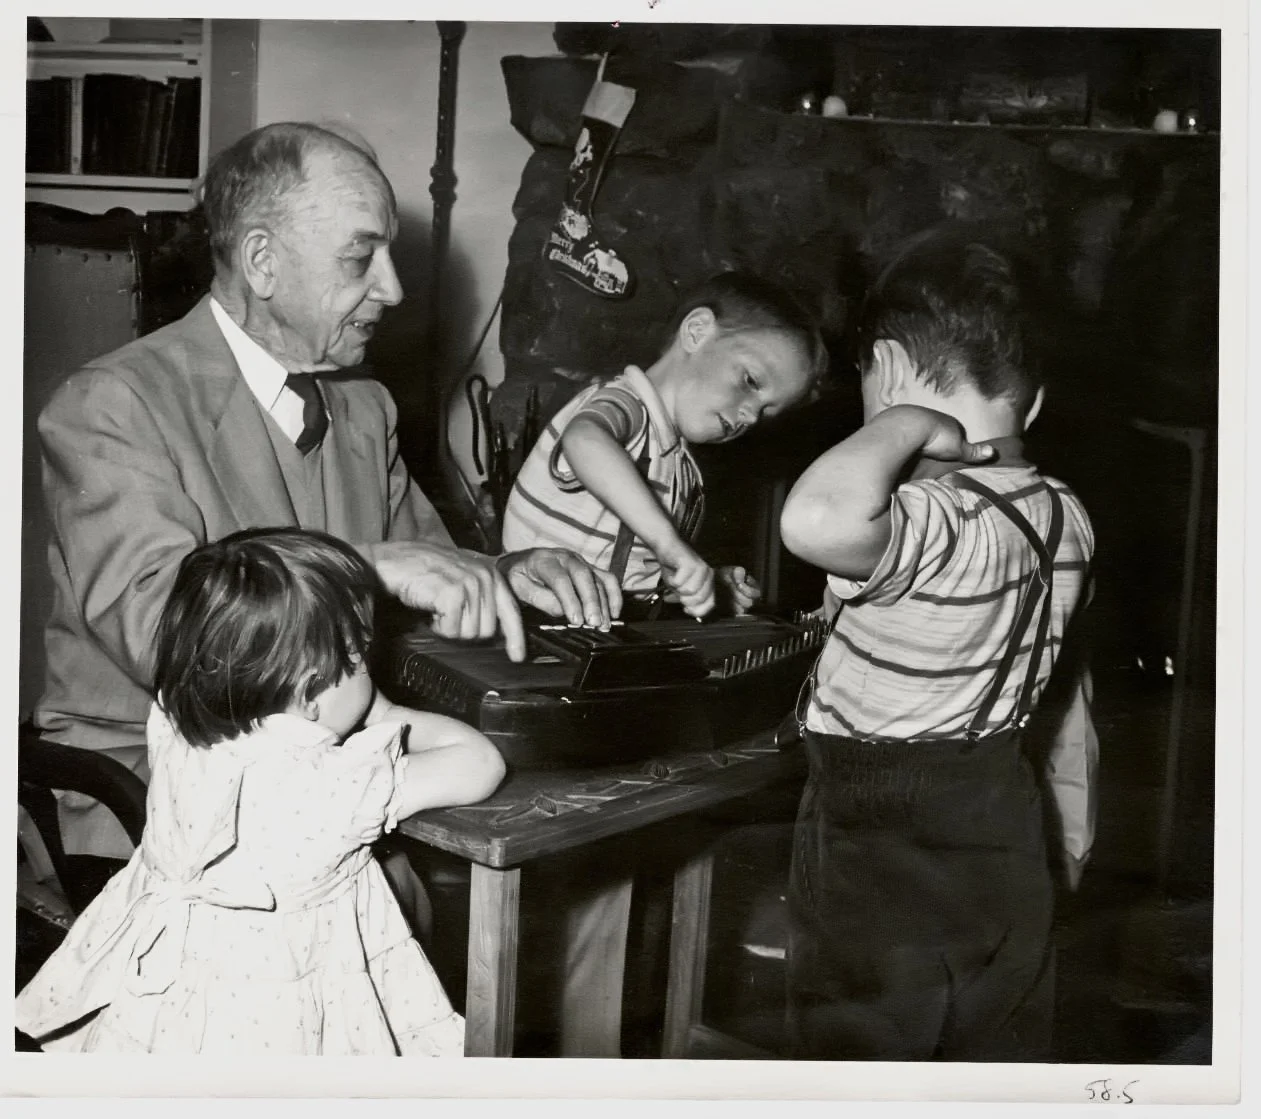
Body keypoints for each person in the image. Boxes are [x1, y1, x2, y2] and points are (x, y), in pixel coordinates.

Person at [33, 121, 619, 859]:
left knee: (574, 825)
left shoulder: (363, 407)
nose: (393, 288)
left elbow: (424, 567)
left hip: (319, 764)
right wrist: (363, 566)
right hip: (155, 790)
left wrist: (503, 574)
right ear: (262, 262)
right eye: (361, 257)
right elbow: (169, 644)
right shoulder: (112, 404)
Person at [777, 228, 1098, 1062]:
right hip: (1000, 803)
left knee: (858, 1052)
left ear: (884, 367)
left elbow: (813, 518)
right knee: (992, 1042)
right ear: (1032, 403)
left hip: (876, 822)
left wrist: (906, 420)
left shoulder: (933, 516)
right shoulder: (1067, 513)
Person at [16, 528, 505, 1054]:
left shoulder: (175, 724)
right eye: (361, 654)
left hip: (180, 992)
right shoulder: (334, 787)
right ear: (312, 692)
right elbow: (480, 763)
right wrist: (384, 712)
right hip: (282, 1015)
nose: (371, 665)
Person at [501, 271, 827, 618]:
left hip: (595, 622)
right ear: (696, 331)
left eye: (767, 411)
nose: (750, 416)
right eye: (750, 381)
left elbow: (637, 570)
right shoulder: (624, 403)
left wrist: (695, 582)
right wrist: (668, 544)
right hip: (530, 611)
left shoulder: (681, 468)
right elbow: (584, 440)